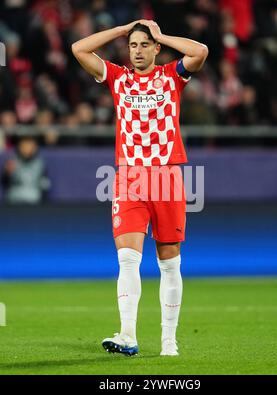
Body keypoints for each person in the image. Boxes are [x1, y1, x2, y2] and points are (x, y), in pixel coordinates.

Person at [72, 19, 208, 356]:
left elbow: (200, 51)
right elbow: (78, 49)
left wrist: (161, 33)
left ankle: (168, 341)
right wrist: (121, 31)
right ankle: (128, 335)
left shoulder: (171, 76)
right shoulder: (118, 78)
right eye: (133, 45)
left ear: (156, 48)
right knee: (128, 261)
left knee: (169, 264)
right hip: (130, 179)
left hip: (166, 177)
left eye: (145, 45)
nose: (138, 51)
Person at [1, 136, 50, 204]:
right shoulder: (11, 162)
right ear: (19, 147)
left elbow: (45, 185)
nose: (27, 149)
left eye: (30, 147)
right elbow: (4, 183)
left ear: (35, 148)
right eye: (24, 147)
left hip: (34, 201)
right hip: (14, 200)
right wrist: (7, 174)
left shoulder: (40, 164)